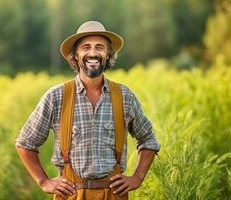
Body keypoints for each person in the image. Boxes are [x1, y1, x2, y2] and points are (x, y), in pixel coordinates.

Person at [15, 21, 160, 200]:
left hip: (113, 194)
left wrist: (137, 177)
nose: (93, 53)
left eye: (99, 47)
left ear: (108, 55)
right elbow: (25, 143)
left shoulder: (124, 96)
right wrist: (44, 181)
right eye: (86, 47)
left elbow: (149, 140)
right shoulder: (56, 96)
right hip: (70, 194)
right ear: (75, 56)